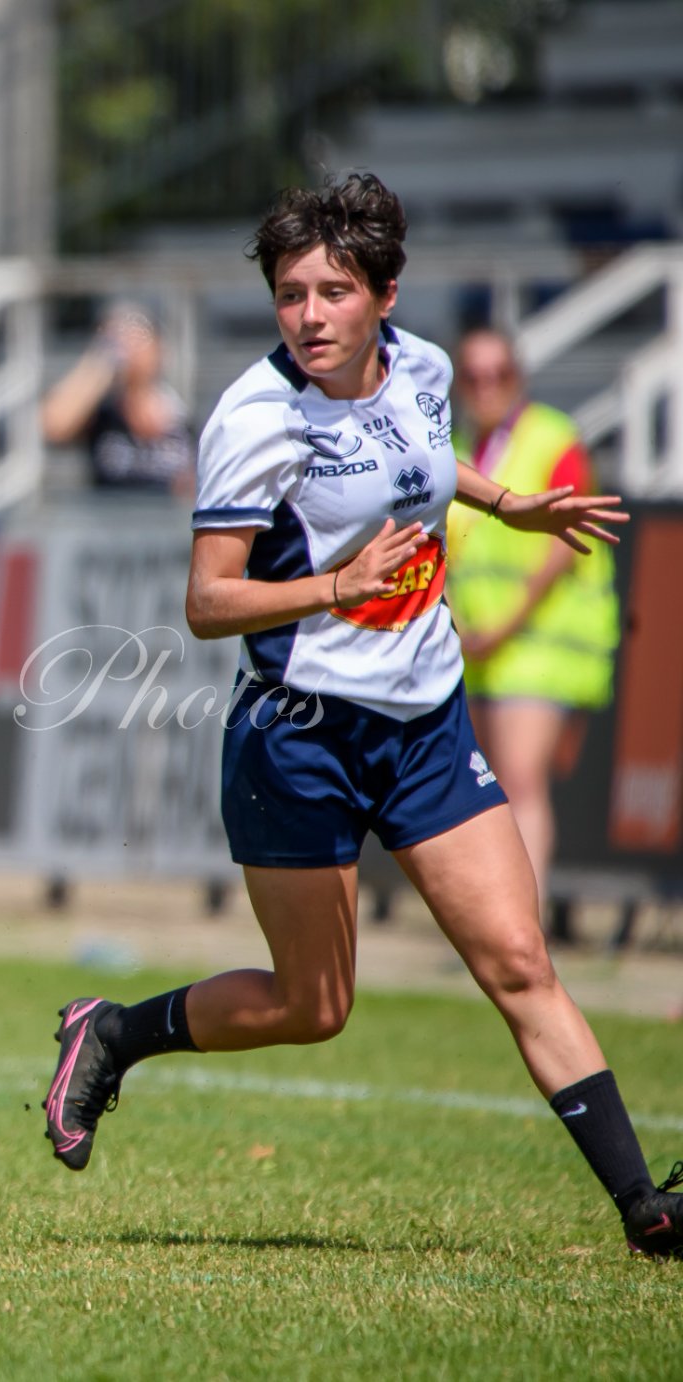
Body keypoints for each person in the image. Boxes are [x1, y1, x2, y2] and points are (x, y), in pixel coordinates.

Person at [39, 173, 682, 1259]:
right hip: (299, 737)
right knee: (314, 1005)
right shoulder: (252, 418)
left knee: (518, 961)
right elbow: (206, 602)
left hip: (424, 724)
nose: (309, 315)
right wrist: (332, 588)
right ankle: (111, 1032)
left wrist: (504, 501)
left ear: (384, 294)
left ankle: (645, 1210)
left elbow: (416, 461)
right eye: (290, 294)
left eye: (333, 291)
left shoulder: (422, 367)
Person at [445, 326, 618, 909]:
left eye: (497, 374)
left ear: (517, 377)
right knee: (486, 790)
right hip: (479, 649)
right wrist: (466, 628)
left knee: (520, 780)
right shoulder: (456, 449)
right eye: (472, 376)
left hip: (543, 645)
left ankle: (526, 923)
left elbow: (563, 547)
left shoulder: (554, 438)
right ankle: (497, 921)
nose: (485, 387)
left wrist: (504, 626)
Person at [40, 302, 195, 492]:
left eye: (141, 336)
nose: (131, 347)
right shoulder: (103, 414)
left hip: (164, 510)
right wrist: (100, 361)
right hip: (110, 509)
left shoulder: (178, 416)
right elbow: (53, 427)